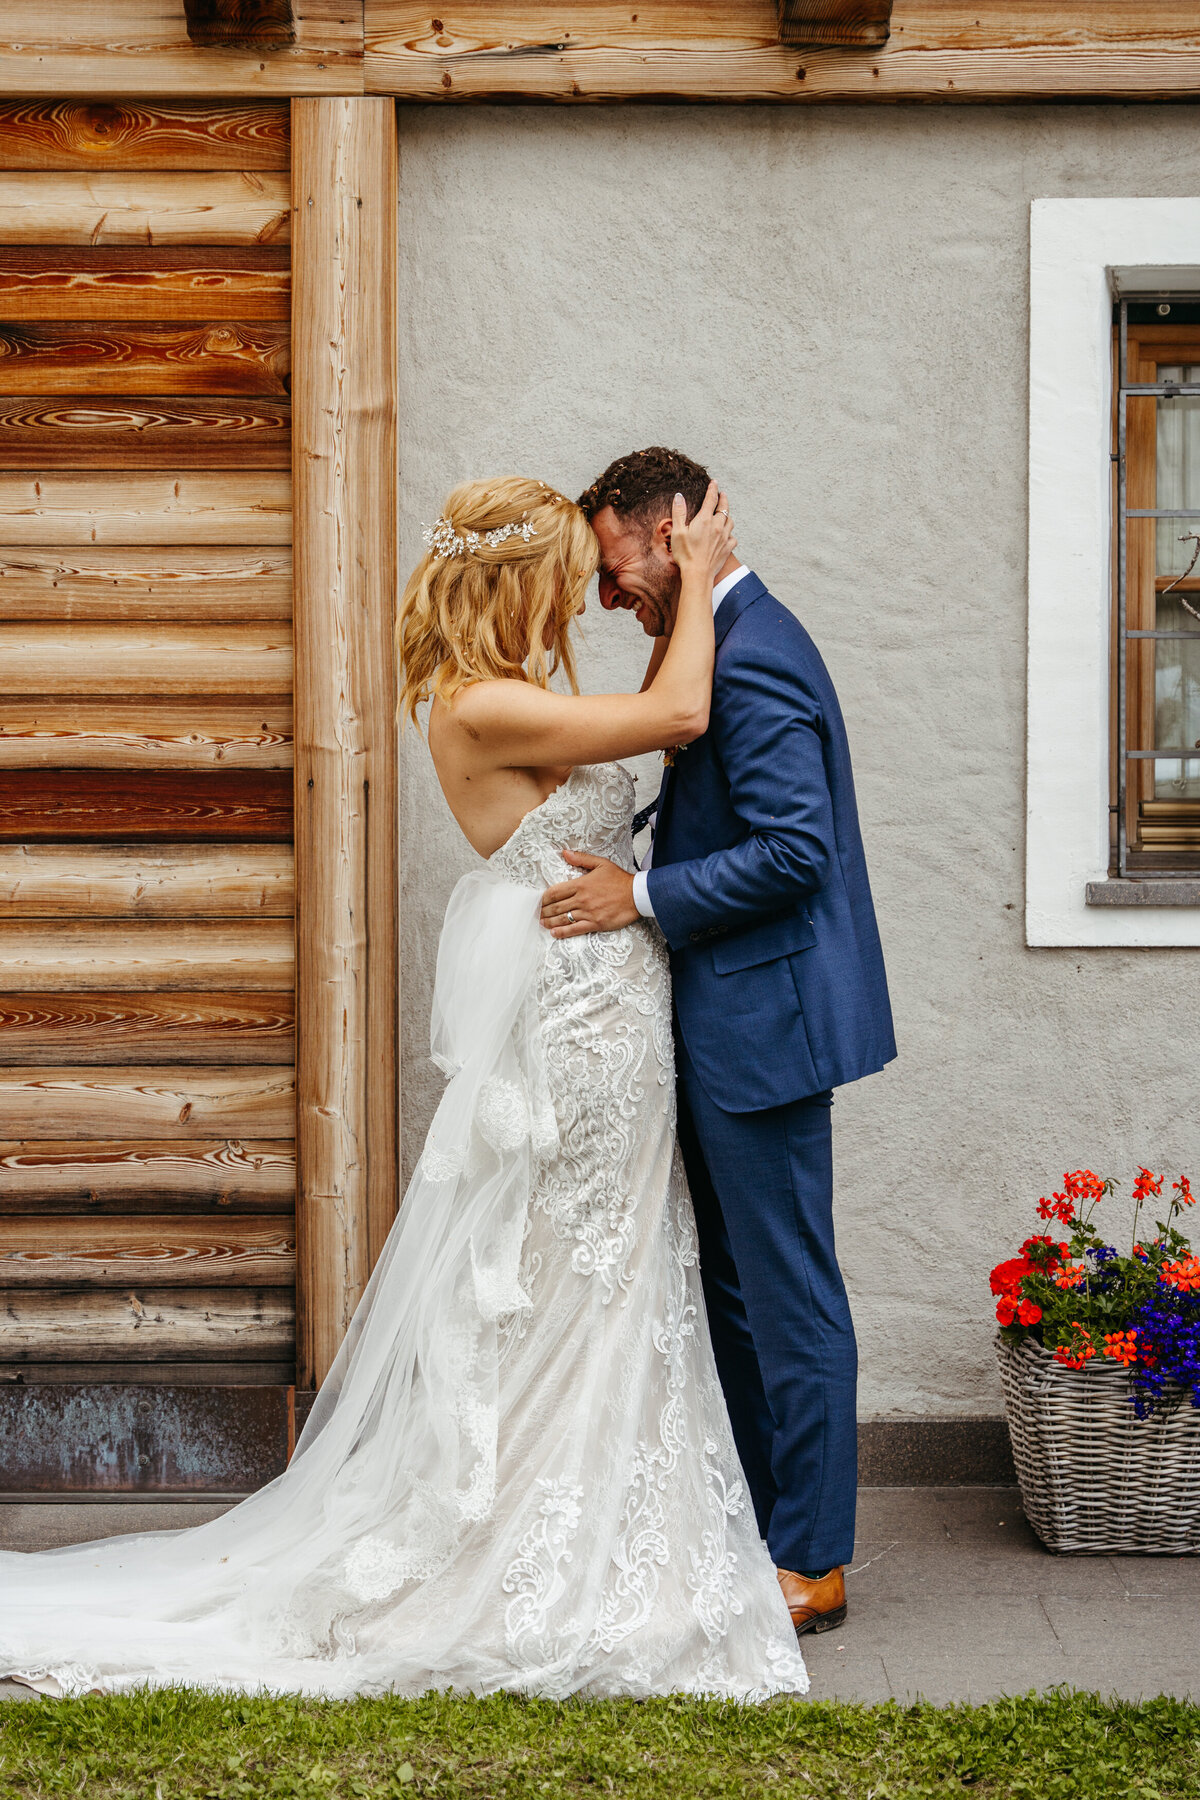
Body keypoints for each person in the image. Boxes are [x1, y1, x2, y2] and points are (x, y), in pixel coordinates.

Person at [0, 475, 807, 1702]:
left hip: (613, 1013)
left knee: (614, 1271)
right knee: (566, 1276)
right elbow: (683, 709)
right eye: (562, 572)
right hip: (578, 1035)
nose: (583, 593)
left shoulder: (527, 693)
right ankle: (520, 1537)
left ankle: (597, 1513)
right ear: (514, 582)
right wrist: (698, 571)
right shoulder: (479, 707)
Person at [539, 447, 896, 1637]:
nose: (605, 595)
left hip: (767, 1026)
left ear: (674, 530)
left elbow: (796, 850)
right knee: (739, 1290)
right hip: (734, 1017)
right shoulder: (715, 643)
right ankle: (760, 1524)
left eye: (615, 563)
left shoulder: (755, 657)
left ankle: (815, 1559)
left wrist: (637, 899)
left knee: (789, 1293)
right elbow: (722, 816)